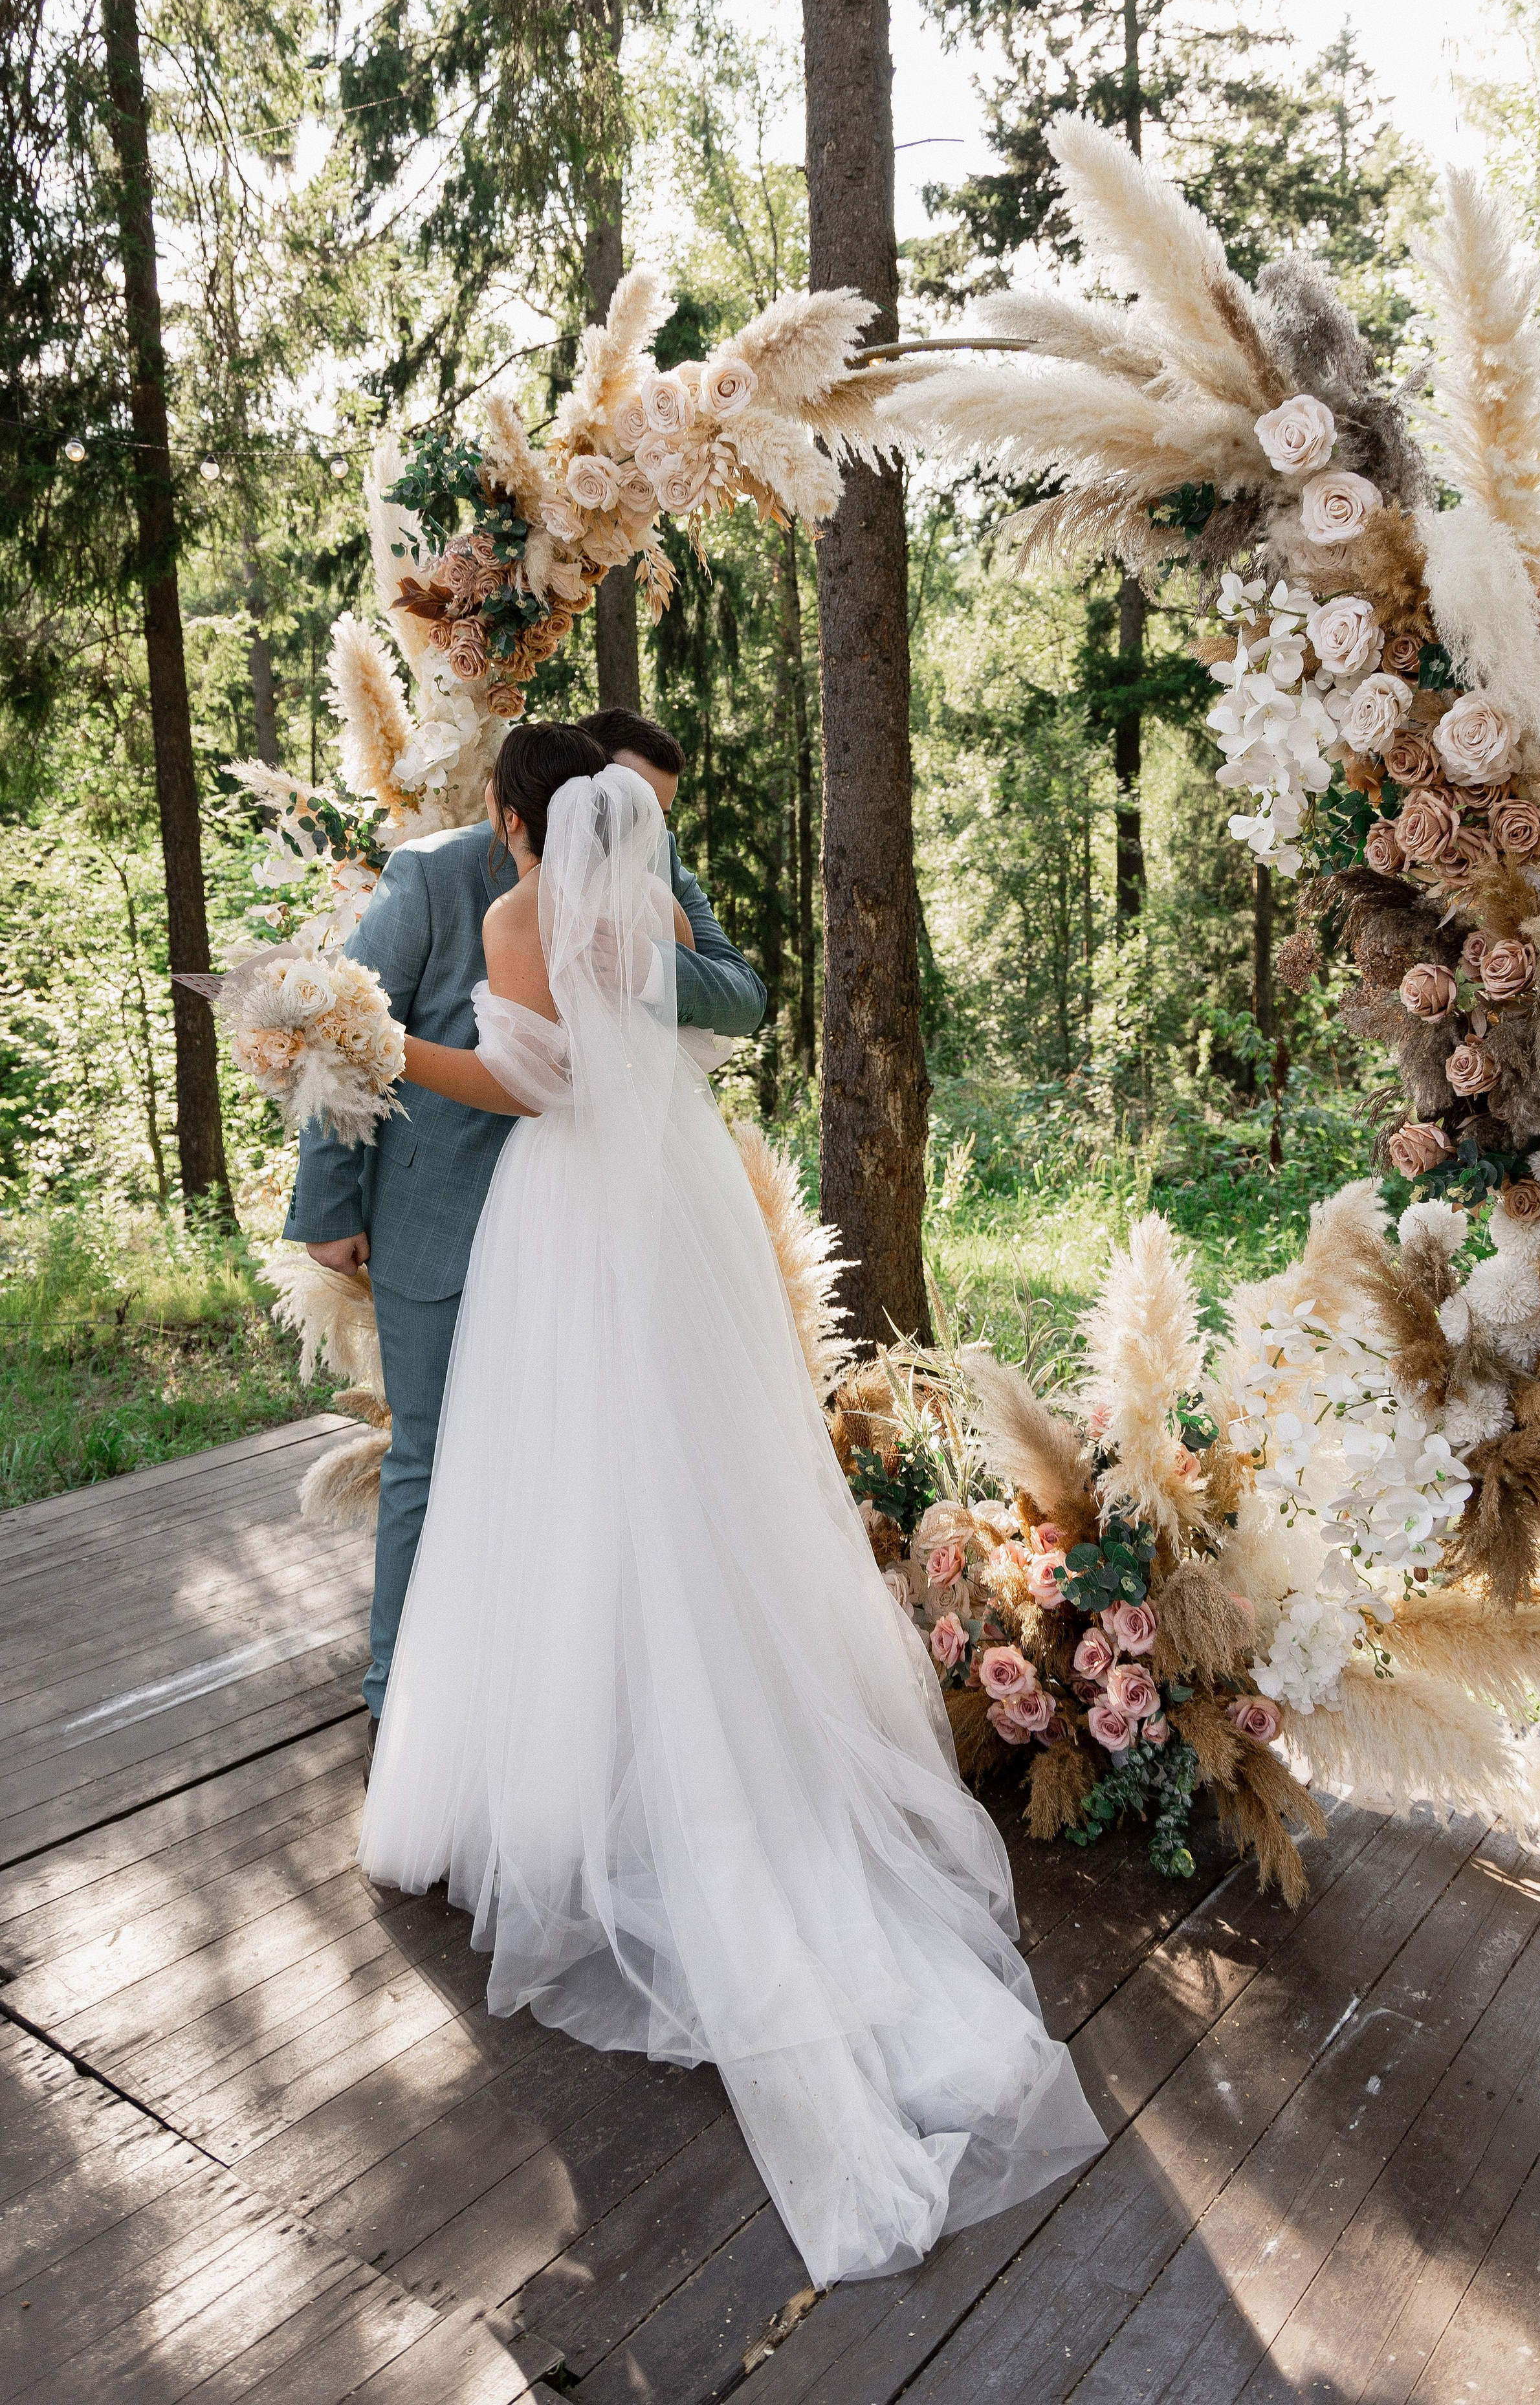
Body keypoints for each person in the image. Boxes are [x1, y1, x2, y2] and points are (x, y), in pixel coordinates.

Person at [357, 739, 1105, 2288]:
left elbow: (521, 1081)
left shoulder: (515, 917)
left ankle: (577, 1765)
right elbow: (682, 1029)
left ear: (516, 820)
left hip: (561, 1218)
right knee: (690, 1470)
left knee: (550, 1479)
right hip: (680, 1205)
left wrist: (372, 1050)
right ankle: (709, 1725)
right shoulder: (651, 916)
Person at [283, 717, 766, 1764]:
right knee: (429, 1457)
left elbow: (739, 995)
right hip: (448, 1211)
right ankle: (397, 1686)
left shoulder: (644, 887)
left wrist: (638, 959)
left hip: (579, 1214)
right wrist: (330, 1212)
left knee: (575, 1460)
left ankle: (544, 1704)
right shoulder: (429, 879)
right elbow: (333, 1059)